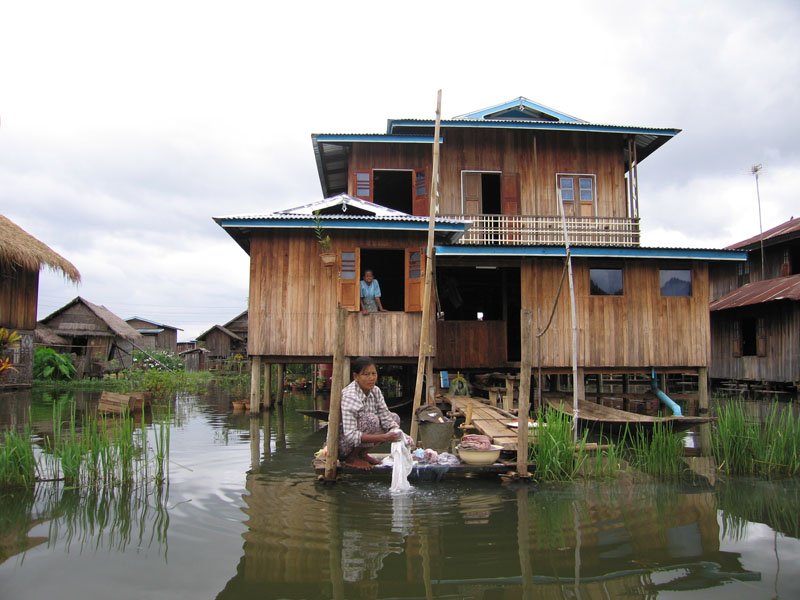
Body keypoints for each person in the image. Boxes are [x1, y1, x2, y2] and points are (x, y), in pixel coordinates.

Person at [338, 356, 407, 469]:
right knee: (372, 420)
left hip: (358, 438)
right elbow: (350, 435)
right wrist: (384, 437)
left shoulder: (376, 391)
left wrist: (402, 435)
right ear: (356, 376)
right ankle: (352, 458)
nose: (371, 378)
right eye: (366, 374)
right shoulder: (350, 396)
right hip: (343, 445)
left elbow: (386, 418)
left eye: (373, 374)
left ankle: (362, 454)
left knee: (394, 418)